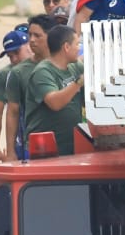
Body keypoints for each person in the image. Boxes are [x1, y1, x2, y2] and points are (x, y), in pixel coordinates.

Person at [24, 23, 86, 155]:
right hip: (45, 149)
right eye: (77, 44)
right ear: (66, 47)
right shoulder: (42, 72)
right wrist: (79, 83)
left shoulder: (75, 67)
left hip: (71, 146)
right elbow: (55, 103)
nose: (79, 48)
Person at [4, 14, 57, 161]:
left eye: (37, 35)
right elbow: (12, 112)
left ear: (51, 36)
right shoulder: (18, 72)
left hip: (68, 144)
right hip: (36, 147)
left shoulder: (68, 65)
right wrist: (10, 151)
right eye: (30, 35)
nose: (31, 40)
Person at [0, 26, 32, 164]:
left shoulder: (44, 67)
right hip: (20, 141)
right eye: (10, 56)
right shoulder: (4, 75)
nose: (14, 59)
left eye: (16, 53)